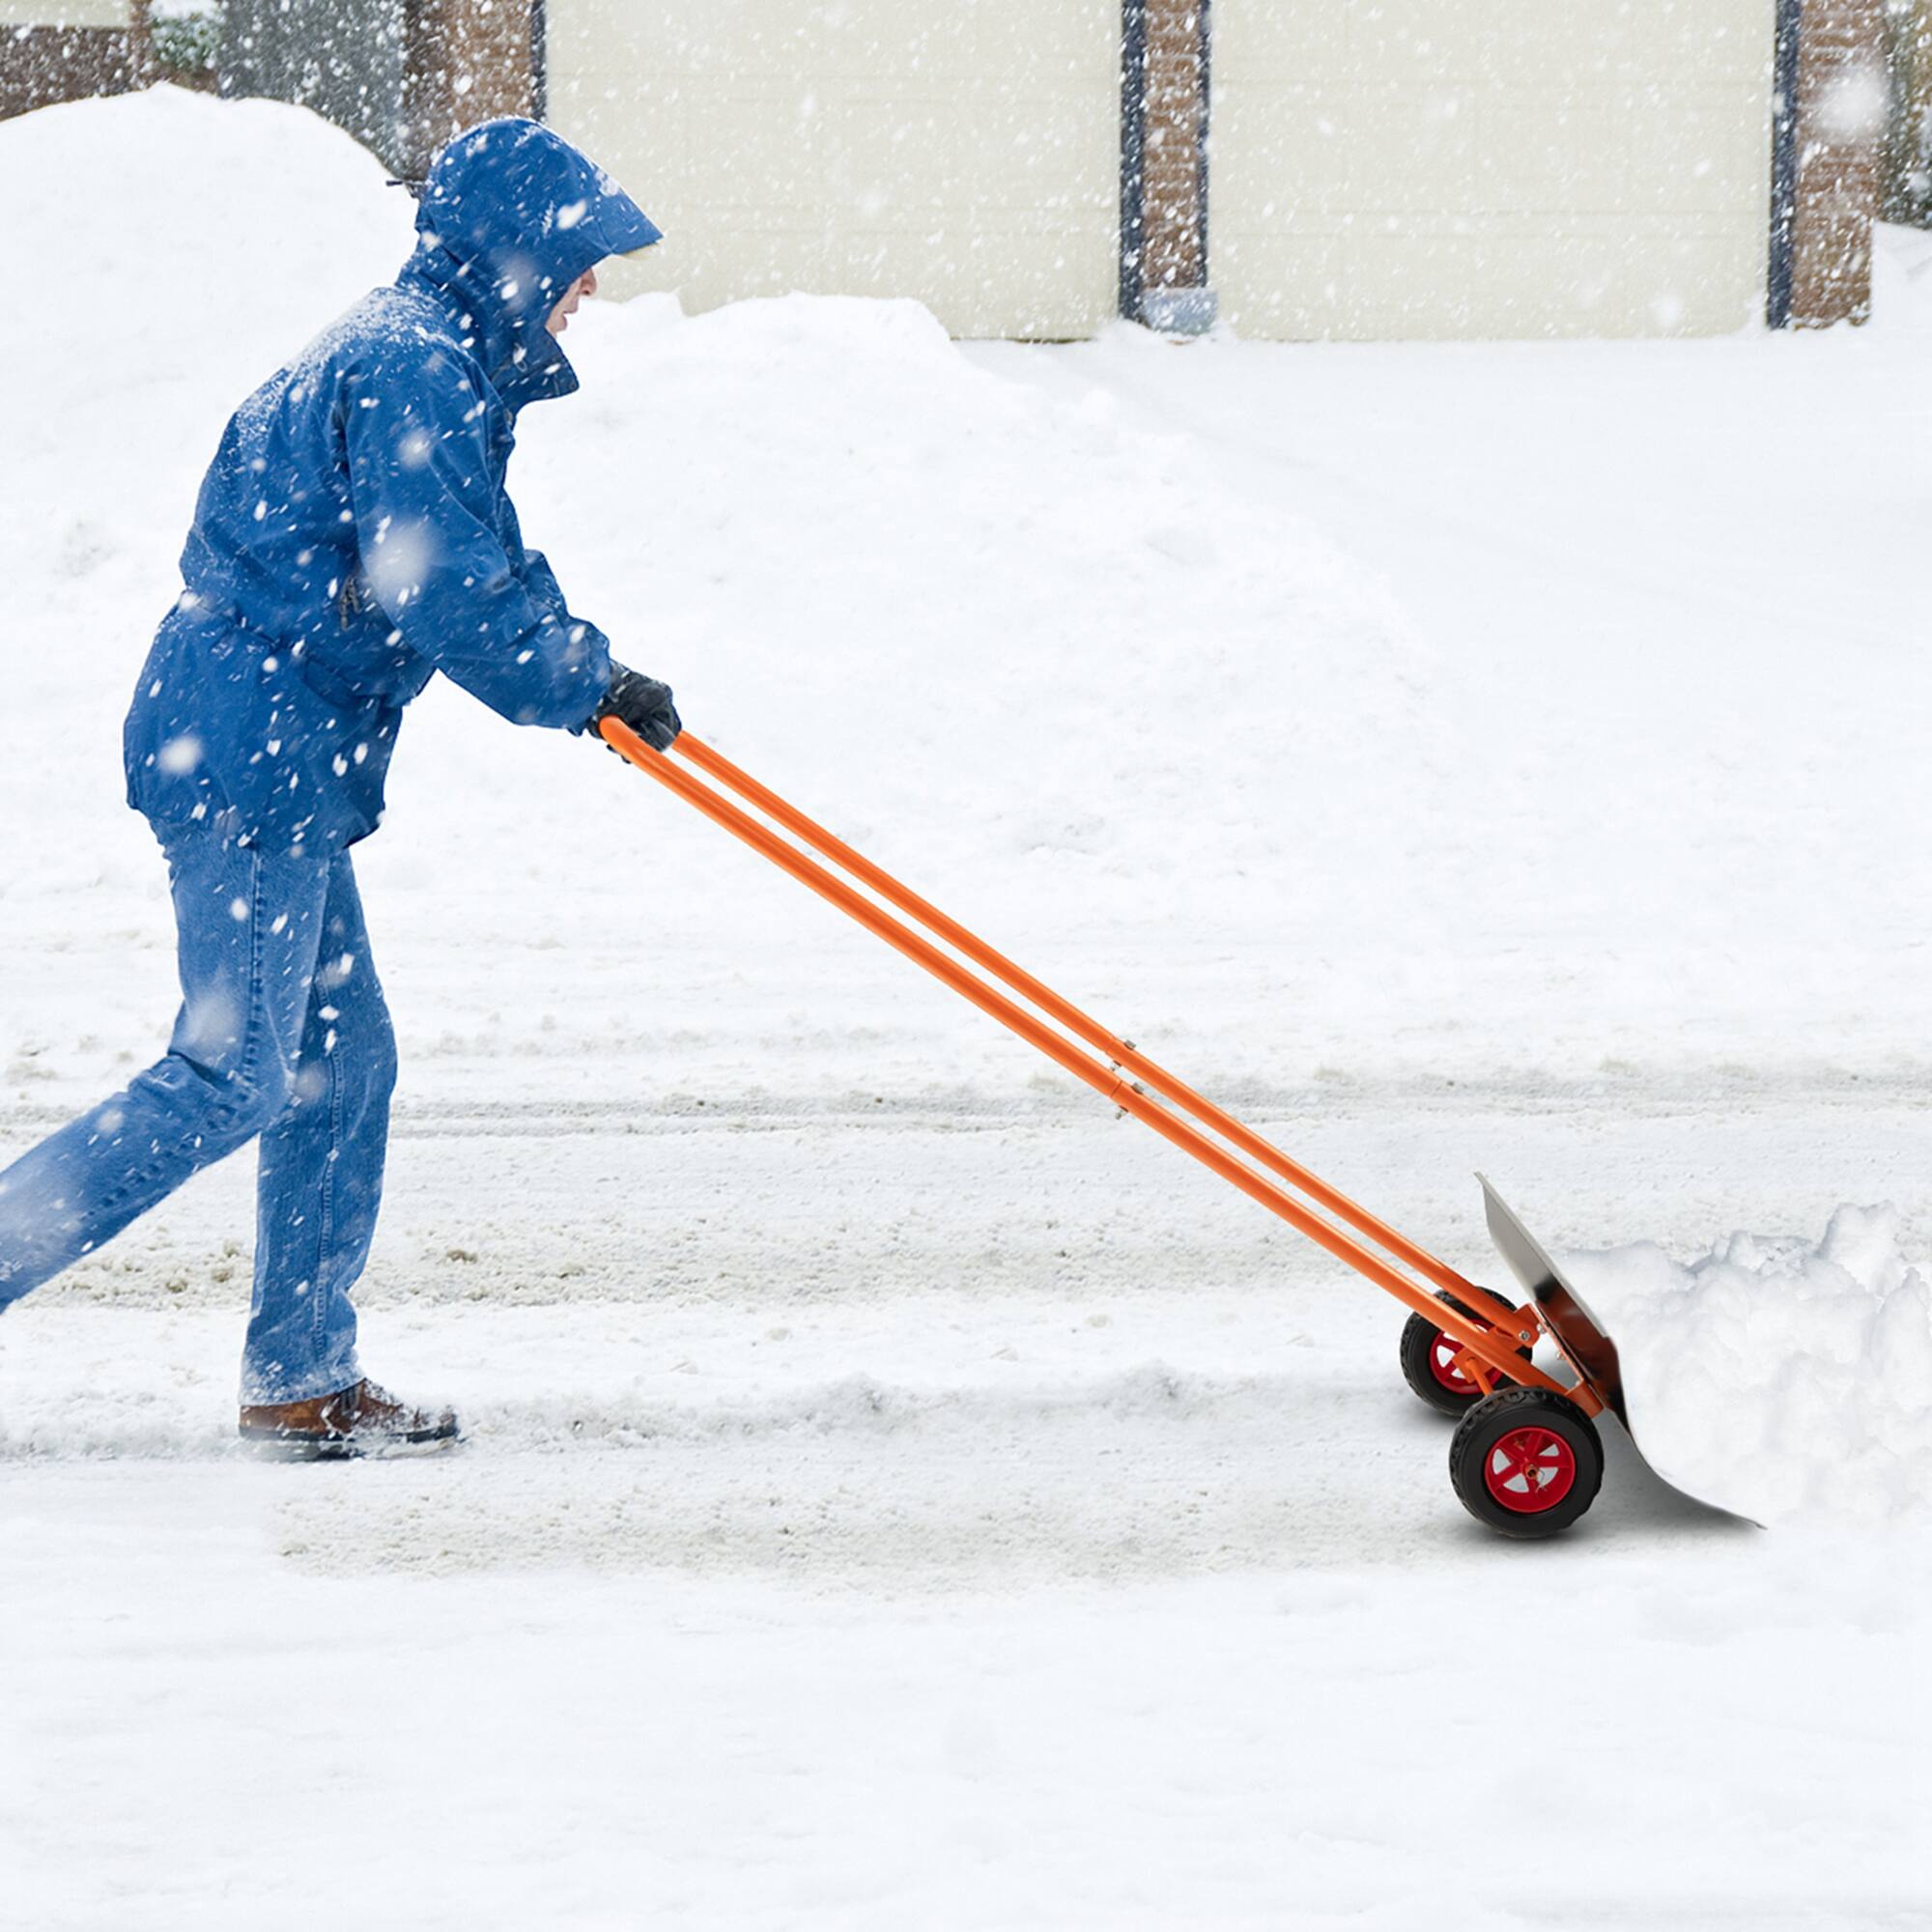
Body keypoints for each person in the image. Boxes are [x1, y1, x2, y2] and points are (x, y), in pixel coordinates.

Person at [0, 118, 682, 1457]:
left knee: (333, 1057)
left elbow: (473, 559)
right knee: (231, 1073)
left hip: (267, 738)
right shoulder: (407, 366)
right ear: (508, 254)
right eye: (573, 260)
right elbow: (438, 587)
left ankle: (300, 1374)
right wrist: (581, 681)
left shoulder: (417, 353)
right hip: (251, 742)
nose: (586, 287)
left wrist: (587, 665)